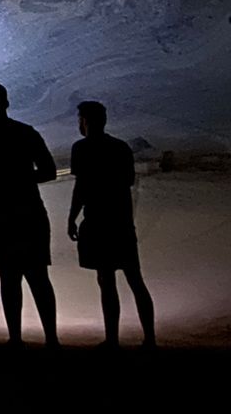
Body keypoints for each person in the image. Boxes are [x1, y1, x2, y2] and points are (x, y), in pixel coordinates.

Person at [0, 82, 59, 347]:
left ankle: (16, 338)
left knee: (10, 279)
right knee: (38, 277)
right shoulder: (25, 133)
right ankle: (50, 338)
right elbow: (49, 171)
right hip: (28, 211)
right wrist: (21, 178)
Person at [68, 100, 155, 348]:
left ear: (85, 121)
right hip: (121, 223)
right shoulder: (120, 148)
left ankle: (113, 339)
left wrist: (72, 217)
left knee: (106, 282)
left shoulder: (81, 149)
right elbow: (127, 181)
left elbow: (81, 187)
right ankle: (150, 338)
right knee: (135, 280)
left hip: (97, 222)